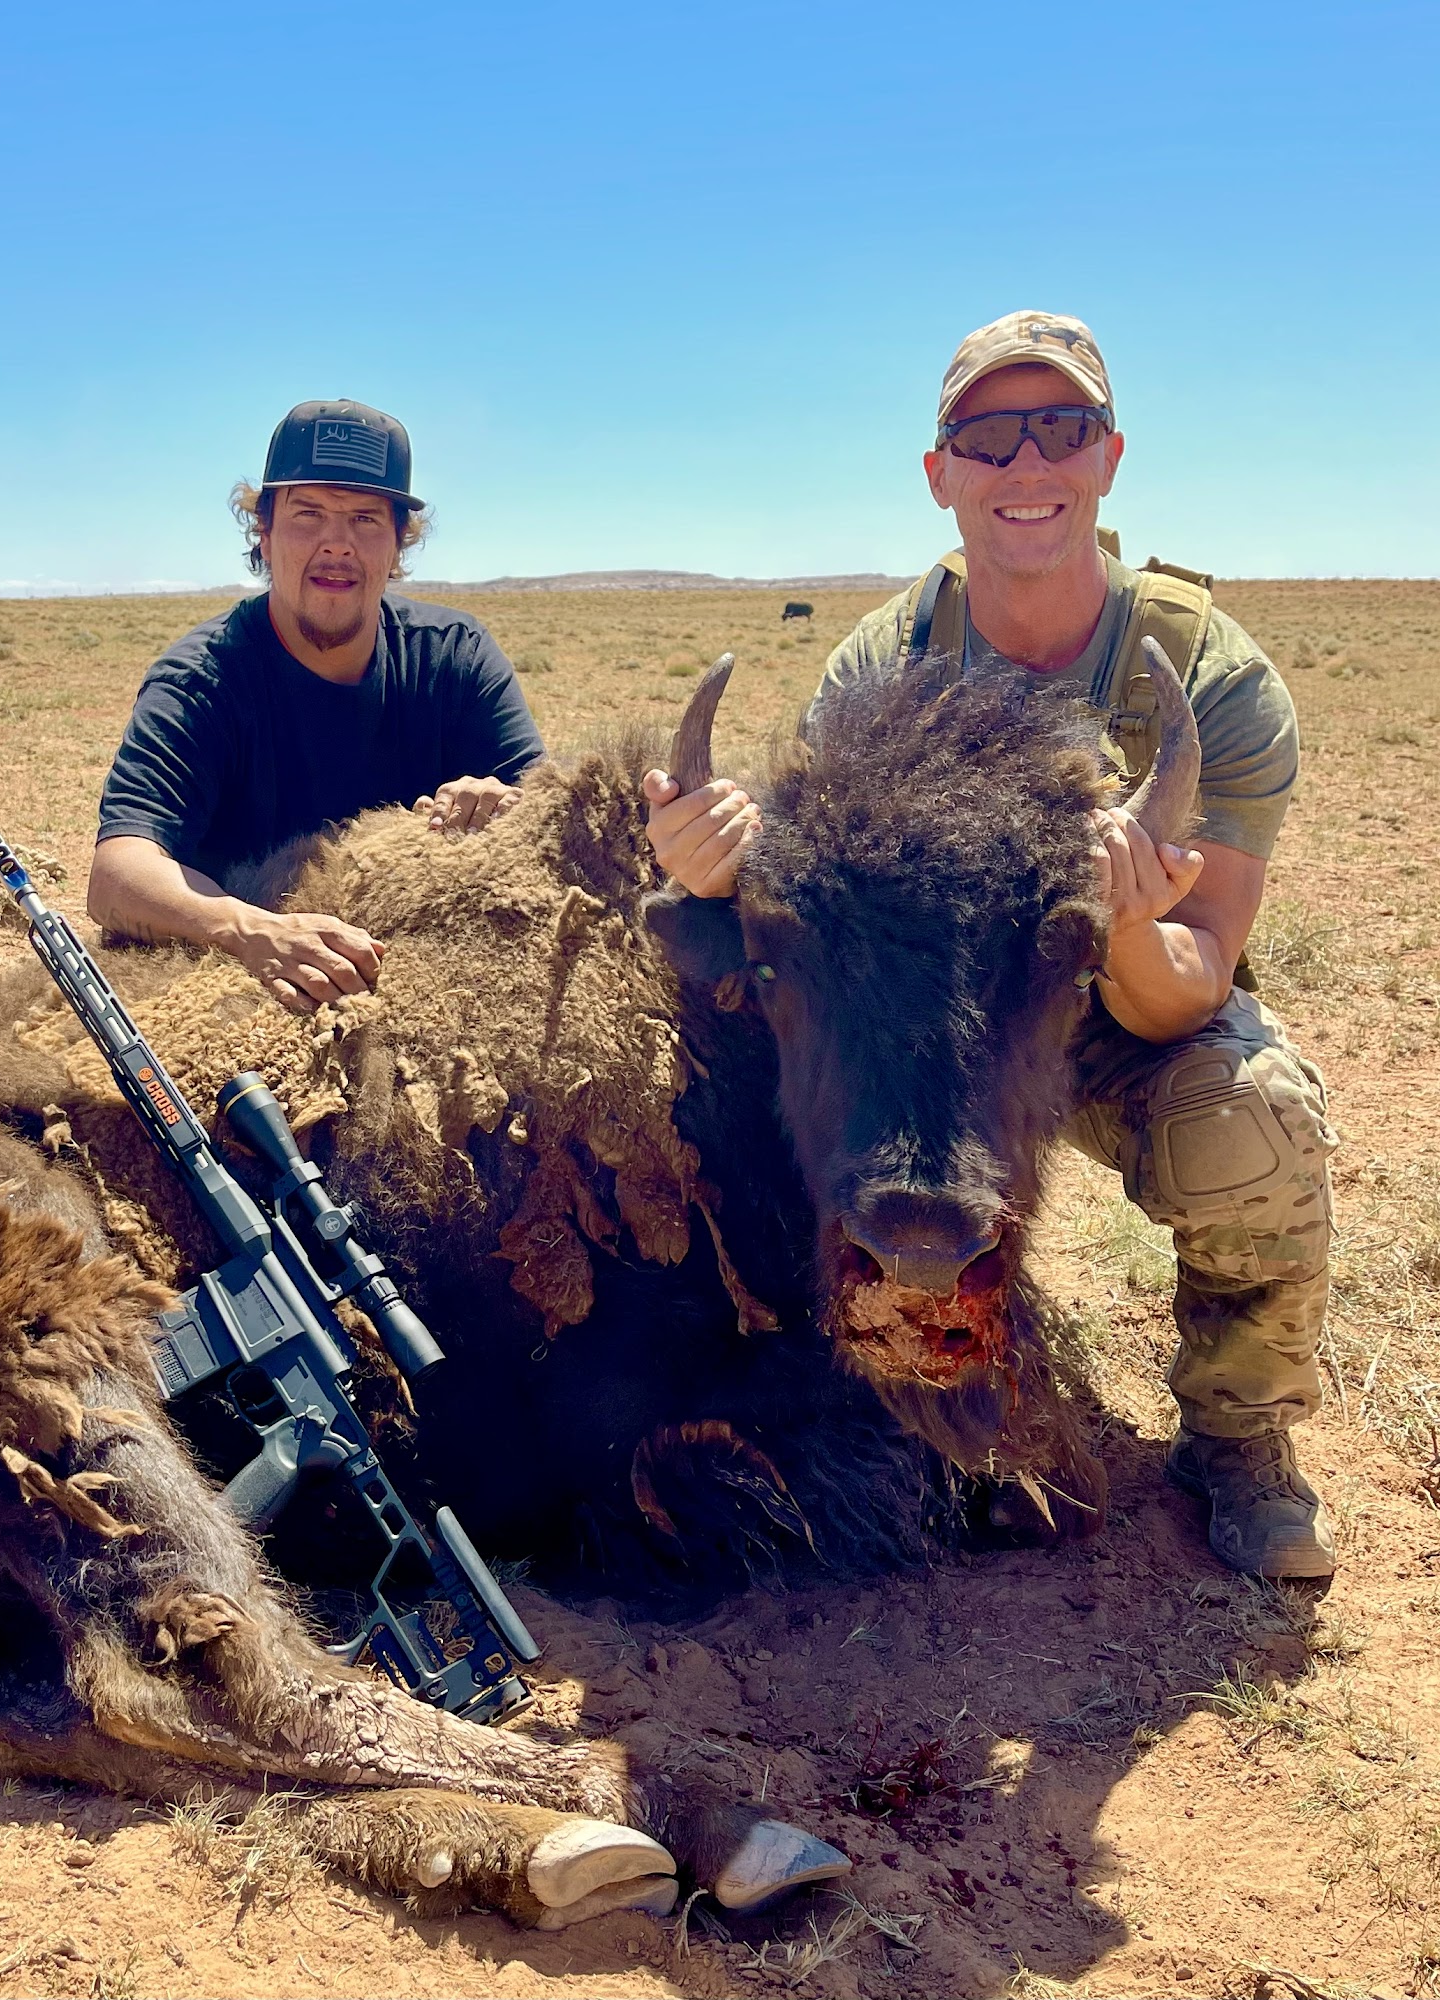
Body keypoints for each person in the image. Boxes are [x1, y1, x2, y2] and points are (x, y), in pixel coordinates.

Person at [645, 311, 1337, 1580]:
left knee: (1250, 1119)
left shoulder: (1211, 680)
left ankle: (1239, 1442)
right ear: (940, 473)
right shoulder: (878, 664)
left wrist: (1108, 926)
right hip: (925, 1030)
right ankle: (855, 1346)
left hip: (1108, 1005)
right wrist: (719, 864)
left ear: (1107, 456)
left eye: (1059, 429)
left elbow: (1193, 976)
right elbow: (824, 918)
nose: (1026, 465)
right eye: (987, 436)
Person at [88, 399, 543, 1013]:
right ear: (265, 534)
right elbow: (118, 875)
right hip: (238, 993)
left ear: (398, 544)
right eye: (309, 515)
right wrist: (250, 931)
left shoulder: (454, 659)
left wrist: (503, 804)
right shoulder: (203, 679)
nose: (338, 543)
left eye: (365, 518)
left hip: (421, 991)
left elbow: (549, 822)